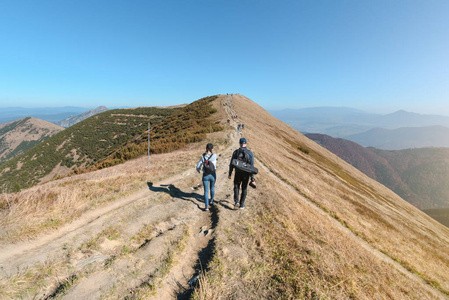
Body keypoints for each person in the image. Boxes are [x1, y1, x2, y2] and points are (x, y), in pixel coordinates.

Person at [228, 138, 256, 209]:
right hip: (246, 174)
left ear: (239, 143)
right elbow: (251, 166)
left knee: (236, 187)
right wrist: (252, 178)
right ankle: (242, 204)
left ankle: (236, 201)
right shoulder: (250, 153)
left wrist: (230, 173)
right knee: (244, 188)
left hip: (238, 173)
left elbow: (231, 163)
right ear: (246, 144)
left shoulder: (236, 152)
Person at [196, 143, 217, 211]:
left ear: (206, 148)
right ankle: (212, 200)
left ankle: (206, 206)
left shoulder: (203, 157)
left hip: (205, 175)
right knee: (212, 188)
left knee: (206, 191)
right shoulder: (214, 155)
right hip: (213, 175)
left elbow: (197, 167)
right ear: (212, 149)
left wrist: (199, 170)